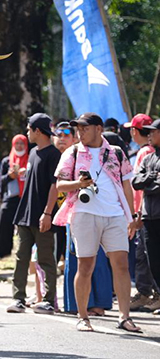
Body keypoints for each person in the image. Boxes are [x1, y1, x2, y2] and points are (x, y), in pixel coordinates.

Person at [55, 113, 141, 333]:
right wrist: (79, 183)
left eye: (84, 128)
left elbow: (126, 187)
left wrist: (131, 217)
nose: (80, 132)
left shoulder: (117, 153)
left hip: (114, 215)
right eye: (78, 129)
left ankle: (124, 317)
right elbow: (60, 186)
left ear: (98, 129)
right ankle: (83, 317)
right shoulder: (72, 152)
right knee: (85, 266)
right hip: (84, 214)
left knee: (121, 264)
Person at [56, 122, 113, 316]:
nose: (62, 137)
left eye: (66, 134)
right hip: (73, 213)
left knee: (97, 261)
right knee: (77, 259)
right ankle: (76, 305)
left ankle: (100, 303)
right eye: (59, 134)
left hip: (101, 212)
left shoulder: (98, 154)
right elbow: (55, 187)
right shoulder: (66, 157)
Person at [7, 113, 60, 315]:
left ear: (38, 131)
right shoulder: (32, 153)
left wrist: (47, 213)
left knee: (46, 258)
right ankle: (18, 298)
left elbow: (55, 187)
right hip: (25, 215)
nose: (27, 132)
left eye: (29, 129)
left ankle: (48, 300)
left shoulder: (54, 155)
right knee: (21, 257)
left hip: (43, 216)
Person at [125, 114, 160, 312]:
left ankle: (150, 293)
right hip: (148, 217)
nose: (150, 135)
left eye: (153, 132)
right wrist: (152, 177)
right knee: (152, 260)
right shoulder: (148, 157)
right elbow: (137, 182)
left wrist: (149, 182)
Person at [0, 135, 28, 259]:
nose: (19, 146)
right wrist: (10, 177)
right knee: (4, 222)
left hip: (25, 197)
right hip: (10, 197)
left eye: (22, 143)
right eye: (17, 143)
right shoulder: (6, 161)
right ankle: (3, 252)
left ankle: (25, 252)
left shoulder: (30, 158)